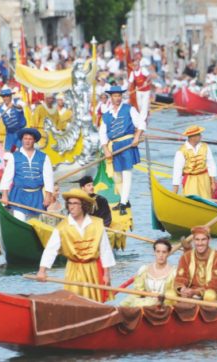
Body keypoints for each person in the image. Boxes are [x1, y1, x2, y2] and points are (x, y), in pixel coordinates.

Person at [36, 188, 115, 303]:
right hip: (73, 270)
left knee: (94, 303)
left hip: (92, 270)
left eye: (75, 203)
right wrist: (42, 270)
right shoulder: (62, 227)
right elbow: (50, 250)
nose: (71, 207)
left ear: (83, 205)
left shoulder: (97, 224)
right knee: (74, 301)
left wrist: (107, 274)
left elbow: (105, 250)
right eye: (69, 203)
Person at [98, 86, 144, 215]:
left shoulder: (129, 109)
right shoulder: (106, 115)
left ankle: (123, 204)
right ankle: (125, 200)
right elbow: (103, 134)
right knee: (117, 176)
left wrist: (136, 137)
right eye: (115, 96)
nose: (117, 98)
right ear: (111, 98)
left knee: (126, 173)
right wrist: (106, 149)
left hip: (127, 144)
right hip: (114, 146)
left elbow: (141, 124)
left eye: (119, 96)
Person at [0, 128, 54, 221]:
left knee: (35, 223)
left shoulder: (44, 157)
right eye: (25, 138)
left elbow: (48, 178)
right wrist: (4, 195)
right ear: (22, 140)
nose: (27, 141)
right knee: (19, 220)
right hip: (19, 196)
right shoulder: (14, 156)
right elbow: (7, 177)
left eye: (30, 139)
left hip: (36, 196)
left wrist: (48, 196)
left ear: (34, 140)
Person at [174, 226, 217, 301]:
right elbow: (180, 279)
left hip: (209, 293)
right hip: (189, 293)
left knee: (209, 295)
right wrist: (182, 289)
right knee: (170, 294)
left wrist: (195, 292)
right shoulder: (186, 257)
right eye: (197, 240)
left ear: (209, 240)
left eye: (203, 240)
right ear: (193, 241)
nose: (200, 243)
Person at [121, 238, 177, 307]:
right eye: (158, 251)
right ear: (154, 252)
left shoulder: (173, 273)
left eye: (164, 252)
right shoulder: (144, 270)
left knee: (143, 304)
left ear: (168, 253)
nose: (161, 255)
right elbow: (138, 291)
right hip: (146, 300)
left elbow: (172, 296)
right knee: (124, 304)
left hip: (164, 304)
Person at [172, 125, 217, 198]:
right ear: (193, 137)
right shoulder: (181, 151)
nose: (201, 136)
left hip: (204, 178)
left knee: (207, 198)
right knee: (192, 198)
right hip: (190, 180)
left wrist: (213, 182)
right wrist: (175, 190)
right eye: (199, 134)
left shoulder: (205, 147)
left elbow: (211, 164)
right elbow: (177, 171)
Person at [128, 58, 152, 122]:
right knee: (140, 105)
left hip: (146, 91)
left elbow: (149, 76)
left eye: (136, 65)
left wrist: (146, 81)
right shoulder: (132, 73)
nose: (134, 67)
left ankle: (142, 120)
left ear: (139, 65)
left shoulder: (143, 70)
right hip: (138, 90)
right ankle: (146, 114)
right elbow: (130, 82)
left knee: (144, 104)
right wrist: (128, 91)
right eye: (133, 65)